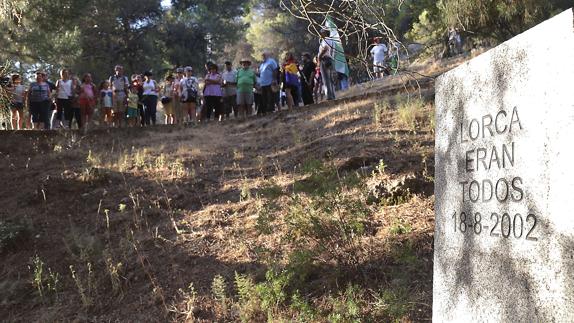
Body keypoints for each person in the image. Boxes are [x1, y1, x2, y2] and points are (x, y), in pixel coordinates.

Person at [317, 29, 336, 100]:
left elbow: (325, 48)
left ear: (325, 33)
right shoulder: (332, 41)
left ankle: (329, 96)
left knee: (326, 78)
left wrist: (319, 57)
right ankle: (333, 95)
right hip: (331, 59)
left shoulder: (326, 40)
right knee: (331, 78)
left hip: (325, 59)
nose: (320, 34)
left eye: (321, 32)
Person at [258, 51, 278, 115]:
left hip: (270, 83)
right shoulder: (262, 64)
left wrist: (274, 79)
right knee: (264, 98)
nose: (263, 56)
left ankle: (271, 111)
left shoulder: (271, 61)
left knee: (270, 97)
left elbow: (275, 70)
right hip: (263, 84)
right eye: (262, 55)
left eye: (264, 55)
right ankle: (265, 112)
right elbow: (261, 74)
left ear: (267, 55)